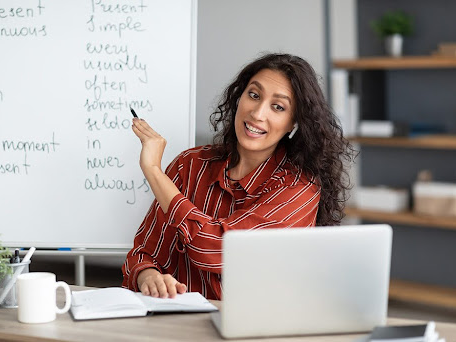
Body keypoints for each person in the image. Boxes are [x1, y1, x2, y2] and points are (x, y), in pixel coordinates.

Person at [122, 53, 355, 300]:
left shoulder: (298, 189)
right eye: (254, 95)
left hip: (253, 332)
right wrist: (148, 276)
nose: (257, 113)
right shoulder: (188, 165)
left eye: (278, 107)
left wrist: (154, 172)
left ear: (293, 123)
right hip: (175, 323)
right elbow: (144, 252)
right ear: (239, 97)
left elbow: (217, 248)